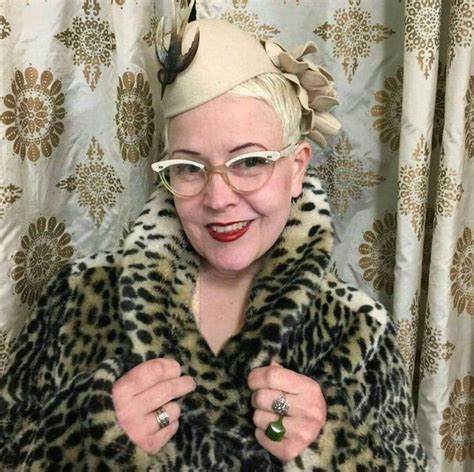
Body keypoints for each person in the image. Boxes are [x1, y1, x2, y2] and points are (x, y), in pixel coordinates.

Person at [0, 2, 428, 470]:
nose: (218, 198)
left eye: (249, 162)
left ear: (296, 168)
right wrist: (89, 436)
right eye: (189, 167)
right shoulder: (78, 299)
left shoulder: (357, 329)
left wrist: (332, 447)